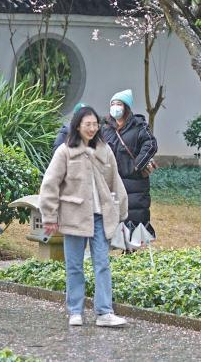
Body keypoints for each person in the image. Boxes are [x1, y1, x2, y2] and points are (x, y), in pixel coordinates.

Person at [40, 106, 128, 327]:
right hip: (74, 216)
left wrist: (121, 211)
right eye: (87, 124)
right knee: (74, 266)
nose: (92, 128)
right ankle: (75, 311)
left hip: (100, 216)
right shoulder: (65, 151)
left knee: (102, 263)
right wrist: (49, 216)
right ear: (77, 126)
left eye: (95, 124)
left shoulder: (105, 150)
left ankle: (104, 312)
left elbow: (115, 181)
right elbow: (50, 184)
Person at [101, 89, 158, 236]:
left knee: (134, 221)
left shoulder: (139, 126)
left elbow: (150, 144)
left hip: (135, 183)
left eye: (119, 104)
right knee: (113, 222)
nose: (115, 107)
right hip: (112, 181)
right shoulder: (106, 128)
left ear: (126, 107)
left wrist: (138, 166)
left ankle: (131, 247)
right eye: (112, 104)